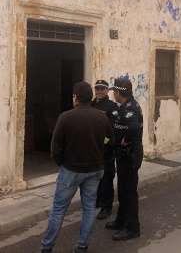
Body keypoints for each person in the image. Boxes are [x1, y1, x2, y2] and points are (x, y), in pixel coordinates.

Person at [39, 81, 114, 253]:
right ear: (90, 96)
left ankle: (47, 247)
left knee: (58, 210)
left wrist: (62, 163)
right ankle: (82, 246)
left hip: (71, 170)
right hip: (95, 170)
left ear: (75, 98)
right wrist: (99, 152)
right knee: (88, 209)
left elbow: (55, 148)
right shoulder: (101, 117)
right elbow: (110, 141)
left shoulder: (66, 117)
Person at [105, 77, 143, 241]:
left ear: (118, 92)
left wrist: (125, 140)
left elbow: (134, 127)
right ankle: (121, 220)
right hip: (123, 156)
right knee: (122, 189)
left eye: (114, 91)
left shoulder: (130, 108)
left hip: (130, 155)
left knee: (128, 191)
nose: (113, 93)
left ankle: (132, 227)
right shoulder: (124, 106)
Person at [91, 79, 119, 220]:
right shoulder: (91, 105)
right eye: (97, 89)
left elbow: (112, 130)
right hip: (92, 150)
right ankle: (97, 200)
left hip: (105, 150)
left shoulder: (111, 107)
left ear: (107, 91)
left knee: (107, 178)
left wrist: (104, 144)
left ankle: (107, 206)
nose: (99, 92)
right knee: (95, 177)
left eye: (102, 89)